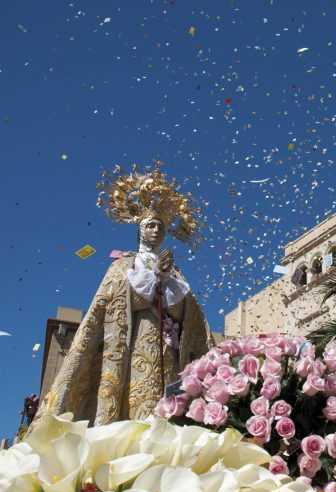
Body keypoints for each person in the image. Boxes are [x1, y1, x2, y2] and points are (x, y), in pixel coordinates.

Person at [35, 163, 213, 425]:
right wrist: (154, 279)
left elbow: (188, 314)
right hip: (132, 342)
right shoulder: (122, 265)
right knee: (131, 405)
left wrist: (167, 282)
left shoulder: (176, 272)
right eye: (151, 225)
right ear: (140, 228)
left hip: (165, 347)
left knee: (164, 406)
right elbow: (111, 302)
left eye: (160, 227)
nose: (156, 231)